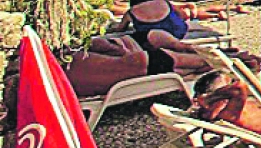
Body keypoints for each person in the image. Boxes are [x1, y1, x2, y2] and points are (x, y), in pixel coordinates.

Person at [60, 35, 199, 98]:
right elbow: (108, 47)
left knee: (190, 68)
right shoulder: (72, 55)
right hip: (143, 62)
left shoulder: (63, 81)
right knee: (202, 62)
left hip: (136, 74)